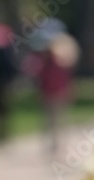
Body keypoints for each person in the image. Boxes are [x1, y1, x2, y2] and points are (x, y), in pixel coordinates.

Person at [23, 20, 79, 155]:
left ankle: (60, 143)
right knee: (49, 120)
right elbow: (37, 76)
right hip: (47, 93)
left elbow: (67, 77)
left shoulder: (61, 59)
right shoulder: (42, 60)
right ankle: (52, 145)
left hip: (60, 92)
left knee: (60, 118)